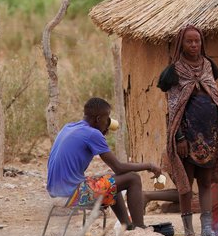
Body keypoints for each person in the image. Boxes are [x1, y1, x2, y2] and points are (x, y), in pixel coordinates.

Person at [158, 24, 218, 236]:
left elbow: (214, 97)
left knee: (206, 183)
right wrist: (179, 137)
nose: (194, 45)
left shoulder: (209, 66)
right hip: (186, 136)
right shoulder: (174, 72)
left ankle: (207, 229)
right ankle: (188, 232)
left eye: (197, 41)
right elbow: (173, 108)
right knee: (186, 185)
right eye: (189, 41)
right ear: (181, 44)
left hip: (209, 135)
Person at [47, 97, 161, 228]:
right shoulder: (93, 134)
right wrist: (149, 165)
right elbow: (119, 167)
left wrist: (100, 132)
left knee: (112, 181)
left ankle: (128, 227)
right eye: (107, 118)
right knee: (133, 178)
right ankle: (140, 229)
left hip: (55, 192)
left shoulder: (68, 127)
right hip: (72, 194)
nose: (108, 122)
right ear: (98, 119)